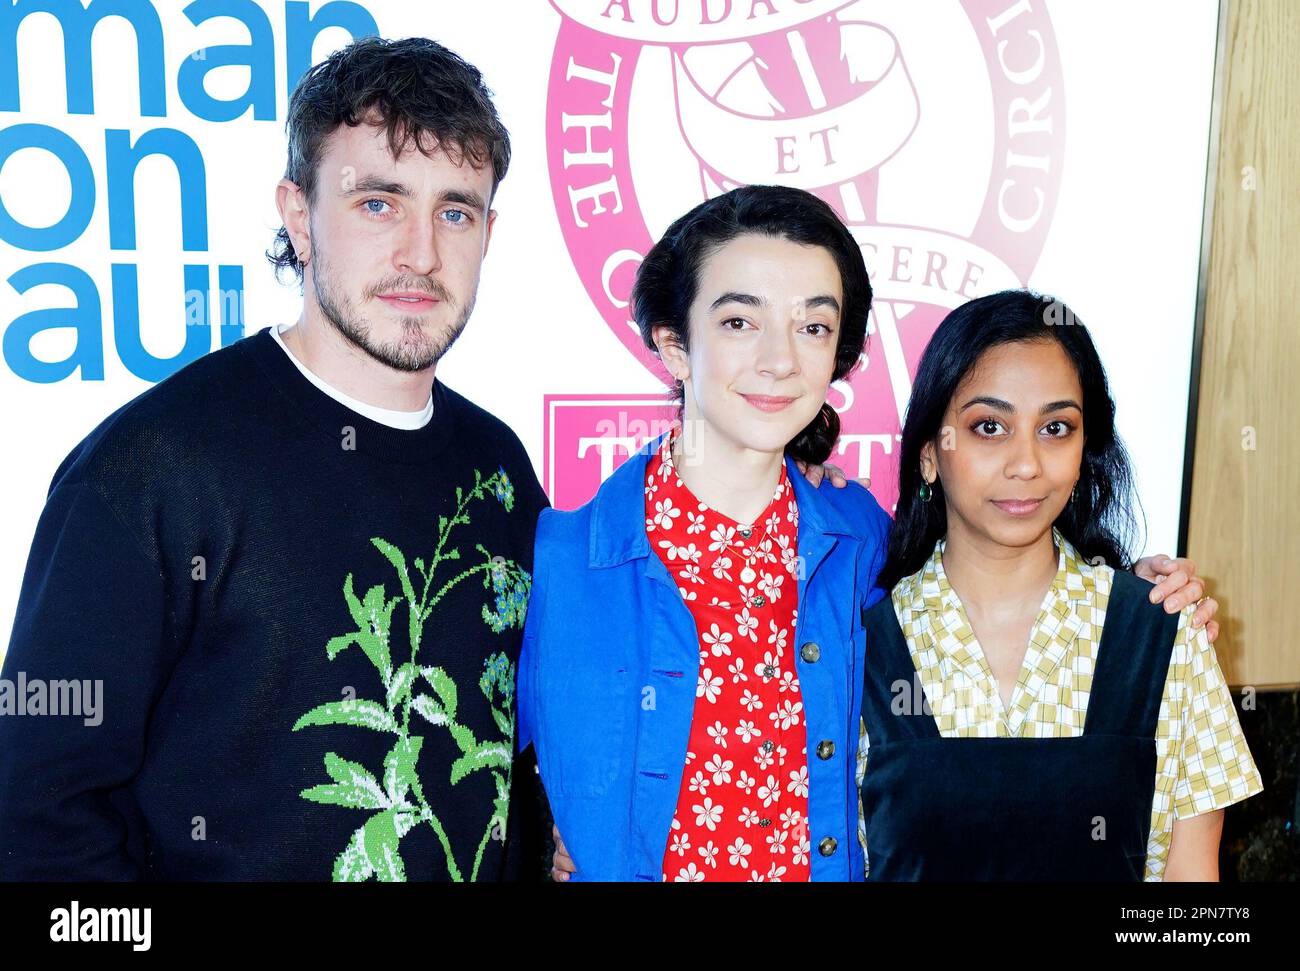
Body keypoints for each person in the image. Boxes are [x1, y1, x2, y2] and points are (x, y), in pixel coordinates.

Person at [519, 190, 1218, 883]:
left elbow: (994, 563)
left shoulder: (861, 546)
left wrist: (1145, 598)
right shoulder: (558, 562)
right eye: (739, 321)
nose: (779, 360)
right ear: (675, 345)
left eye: (813, 327)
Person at [0, 37, 550, 881]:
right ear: (298, 213)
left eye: (455, 210)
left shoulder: (501, 468)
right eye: (378, 203)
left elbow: (522, 754)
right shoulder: (151, 464)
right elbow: (39, 813)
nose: (422, 253)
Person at [857, 289, 1262, 881]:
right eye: (989, 427)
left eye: (1055, 428)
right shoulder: (859, 648)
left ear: (1082, 451)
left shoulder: (1163, 636)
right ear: (928, 454)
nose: (1026, 463)